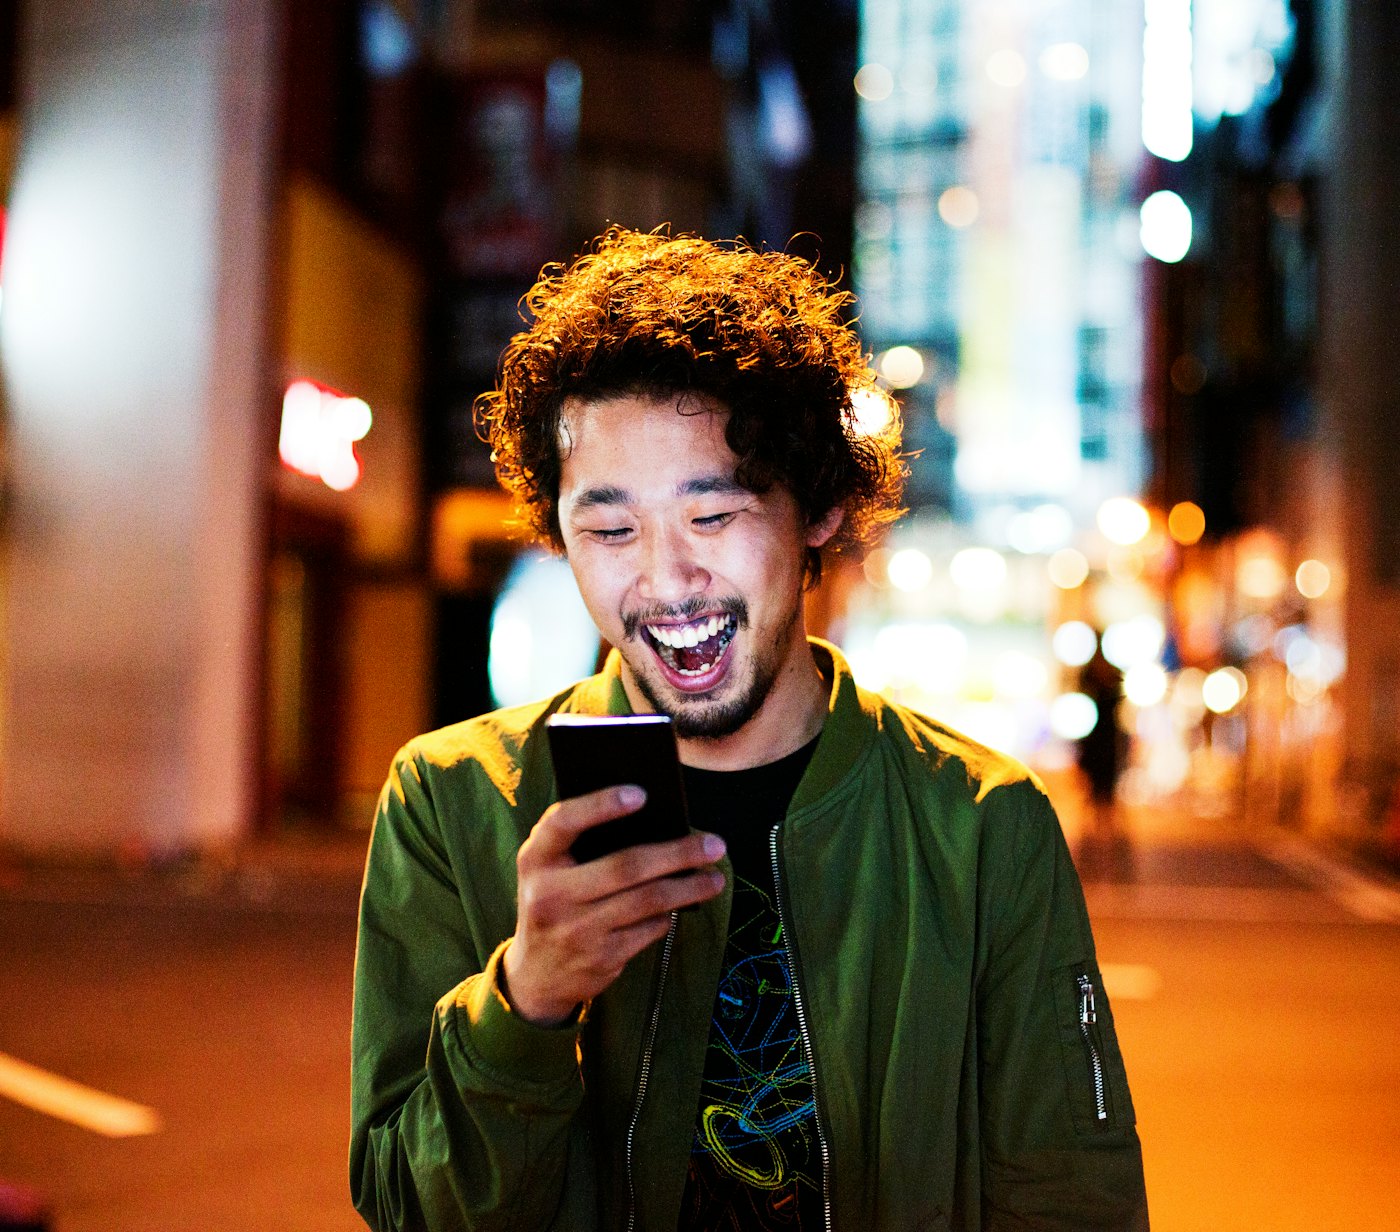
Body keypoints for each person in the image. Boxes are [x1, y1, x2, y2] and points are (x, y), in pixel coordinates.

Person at [350, 229, 1149, 1231]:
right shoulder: (453, 800)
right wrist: (526, 998)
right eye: (608, 530)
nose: (663, 578)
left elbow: (1070, 1197)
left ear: (814, 508)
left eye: (713, 516)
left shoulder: (979, 824)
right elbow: (403, 1205)